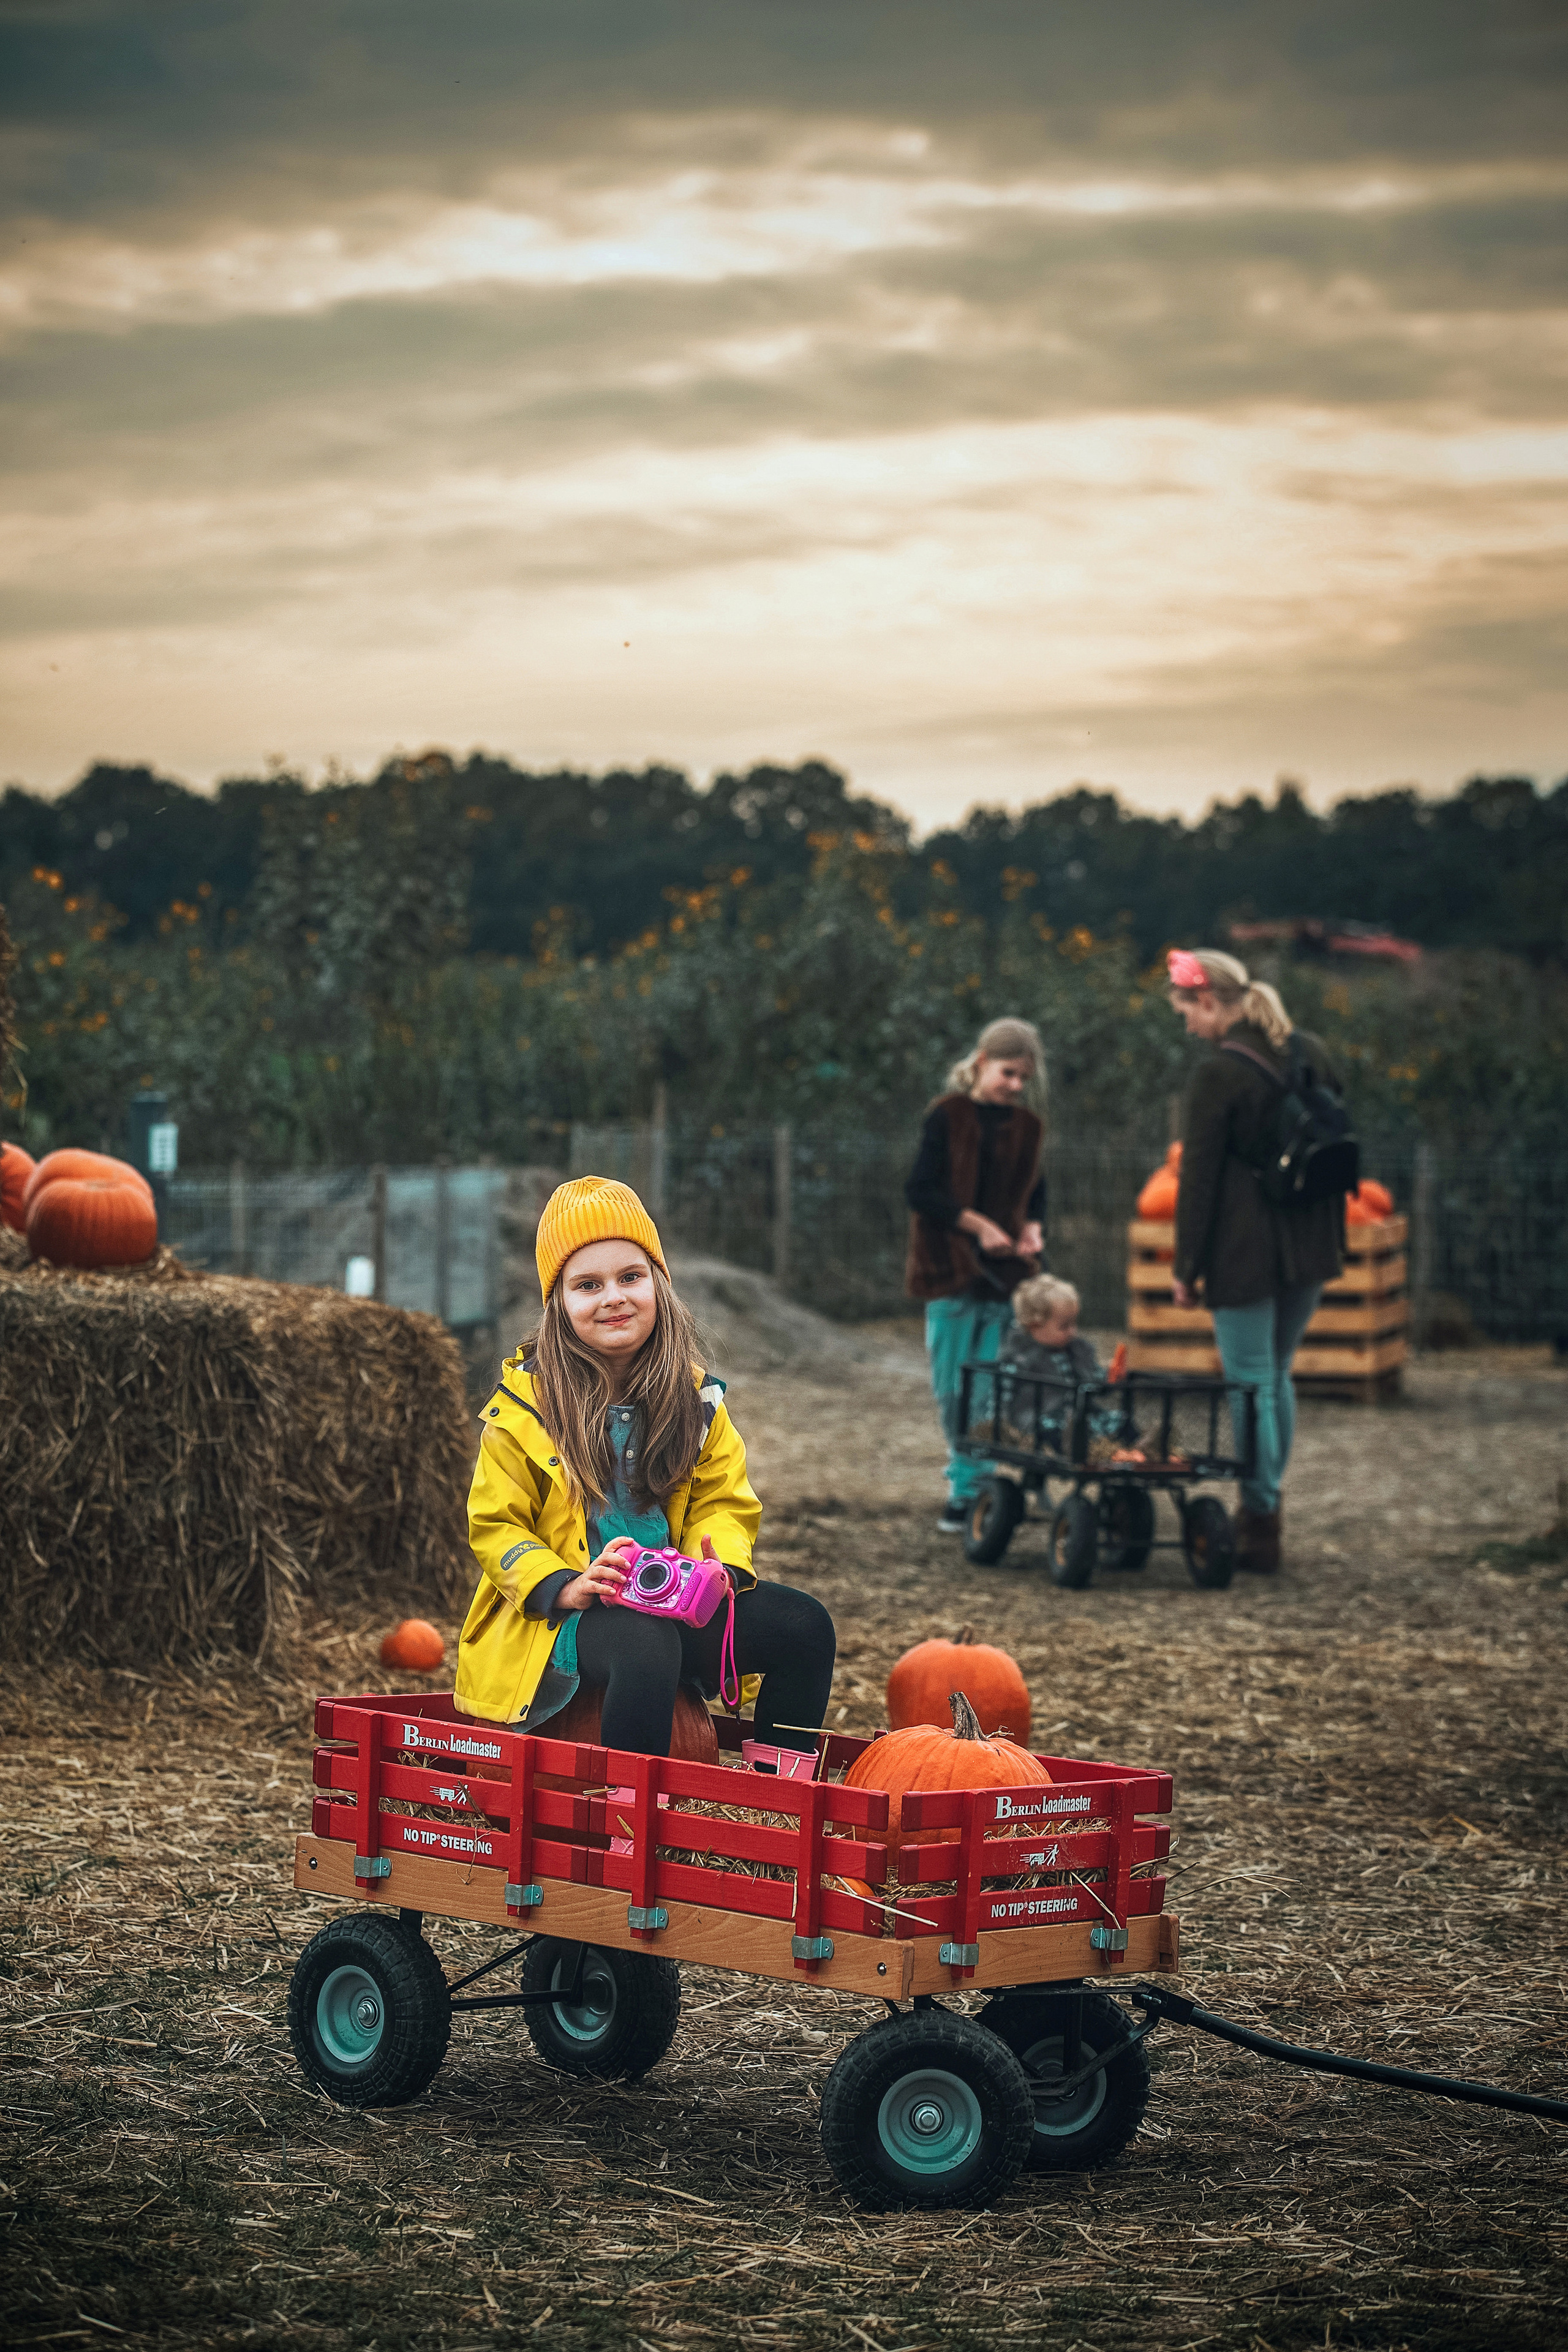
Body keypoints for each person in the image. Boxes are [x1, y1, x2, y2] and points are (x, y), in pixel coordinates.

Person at [454, 1174, 835, 1772]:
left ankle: (778, 1789)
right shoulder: (526, 1409)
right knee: (643, 1643)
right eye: (587, 1285)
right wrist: (564, 1584)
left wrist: (722, 1563)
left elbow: (723, 1498)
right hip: (569, 1617)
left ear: (658, 1283)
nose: (614, 1297)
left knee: (804, 1626)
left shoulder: (693, 1396)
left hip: (675, 1599)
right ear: (558, 1304)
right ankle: (635, 1818)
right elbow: (495, 1525)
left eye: (630, 1277)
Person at [1166, 948, 1347, 1570]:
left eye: (1185, 1009)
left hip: (1246, 1246)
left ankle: (1261, 1520)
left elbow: (1198, 1178)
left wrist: (1185, 1266)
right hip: (1314, 1237)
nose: (1186, 1023)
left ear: (1210, 1001)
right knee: (1276, 1374)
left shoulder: (1218, 1074)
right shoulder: (1309, 1050)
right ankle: (1263, 1508)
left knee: (1249, 1385)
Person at [905, 1016, 1046, 1533]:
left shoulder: (1028, 1128)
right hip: (949, 1271)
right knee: (952, 1388)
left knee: (988, 1388)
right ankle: (974, 1484)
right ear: (983, 1061)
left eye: (1023, 1079)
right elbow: (922, 1190)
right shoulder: (947, 1116)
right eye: (1008, 1073)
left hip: (1006, 1276)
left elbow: (1037, 1191)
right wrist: (979, 1226)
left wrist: (1033, 1229)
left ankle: (971, 1492)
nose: (1015, 1086)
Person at [998, 1273, 1139, 1459]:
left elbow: (1092, 1380)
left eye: (1074, 1324)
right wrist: (1003, 1423)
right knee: (1055, 1429)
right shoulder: (1021, 1357)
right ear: (1034, 1326)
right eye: (1064, 1327)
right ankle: (1078, 1449)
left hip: (1080, 1414)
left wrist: (1109, 1378)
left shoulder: (1076, 1351)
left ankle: (1139, 1448)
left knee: (1117, 1420)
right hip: (1039, 1417)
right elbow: (1004, 1395)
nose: (1073, 1332)